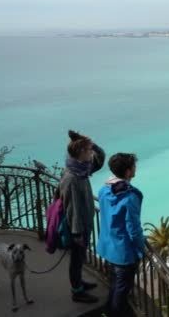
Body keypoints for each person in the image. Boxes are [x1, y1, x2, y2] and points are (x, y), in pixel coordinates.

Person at [59, 130, 105, 303]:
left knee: (79, 259)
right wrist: (77, 233)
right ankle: (77, 291)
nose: (91, 153)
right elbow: (73, 208)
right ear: (80, 153)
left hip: (82, 224)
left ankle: (79, 283)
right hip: (77, 227)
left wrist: (92, 144)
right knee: (76, 259)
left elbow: (100, 160)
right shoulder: (73, 177)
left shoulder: (80, 169)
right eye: (88, 150)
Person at [97, 153, 144, 317]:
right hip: (123, 251)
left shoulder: (103, 190)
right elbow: (133, 227)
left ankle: (108, 311)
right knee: (122, 290)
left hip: (107, 245)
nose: (135, 168)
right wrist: (140, 248)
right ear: (128, 171)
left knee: (115, 283)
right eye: (134, 166)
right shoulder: (131, 196)